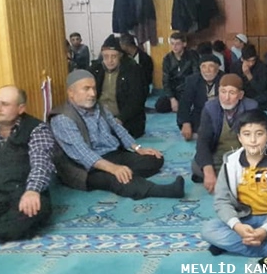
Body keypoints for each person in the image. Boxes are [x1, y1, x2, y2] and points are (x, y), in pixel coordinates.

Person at [200, 109, 267, 274]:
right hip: (242, 219)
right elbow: (221, 200)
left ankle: (233, 245)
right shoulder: (230, 163)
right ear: (239, 137)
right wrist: (237, 227)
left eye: (259, 134)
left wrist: (265, 230)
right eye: (247, 134)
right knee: (208, 229)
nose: (253, 140)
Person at [50, 70, 184, 200]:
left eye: (94, 88)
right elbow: (83, 154)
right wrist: (113, 169)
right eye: (86, 89)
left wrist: (138, 148)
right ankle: (164, 191)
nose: (93, 93)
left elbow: (117, 128)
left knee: (154, 158)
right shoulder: (63, 118)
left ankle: (126, 177)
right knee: (115, 178)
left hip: (112, 154)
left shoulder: (98, 107)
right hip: (86, 169)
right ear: (71, 92)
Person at [0, 86, 54, 243]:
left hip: (19, 195)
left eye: (5, 104)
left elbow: (41, 164)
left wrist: (32, 191)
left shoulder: (36, 129)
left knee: (33, 210)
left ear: (20, 108)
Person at [192, 74, 258, 192]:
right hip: (218, 156)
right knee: (197, 165)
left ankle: (228, 178)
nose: (226, 98)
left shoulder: (251, 108)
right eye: (223, 92)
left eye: (232, 93)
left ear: (240, 95)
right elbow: (203, 141)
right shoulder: (210, 108)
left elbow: (257, 141)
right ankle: (230, 178)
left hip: (243, 155)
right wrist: (209, 173)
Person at [89, 34, 147, 138]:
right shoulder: (95, 70)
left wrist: (120, 119)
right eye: (106, 56)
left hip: (124, 119)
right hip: (99, 117)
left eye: (113, 56)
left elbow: (136, 100)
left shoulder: (132, 70)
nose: (109, 60)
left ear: (120, 56)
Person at [178, 54, 224, 141]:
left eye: (211, 66)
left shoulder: (225, 79)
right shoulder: (192, 80)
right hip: (201, 114)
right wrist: (185, 123)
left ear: (218, 68)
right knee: (192, 134)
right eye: (203, 66)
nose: (207, 70)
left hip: (221, 114)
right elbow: (184, 104)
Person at [156, 32, 200, 113]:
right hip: (175, 91)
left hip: (189, 89)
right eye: (172, 44)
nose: (174, 47)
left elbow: (196, 76)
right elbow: (166, 81)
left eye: (177, 44)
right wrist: (172, 98)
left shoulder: (192, 56)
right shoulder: (167, 59)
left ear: (184, 44)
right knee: (160, 105)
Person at [231, 44, 267, 109]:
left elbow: (261, 89)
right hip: (242, 95)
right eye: (248, 61)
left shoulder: (261, 66)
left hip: (257, 95)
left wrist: (249, 75)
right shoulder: (235, 67)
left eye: (253, 60)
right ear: (242, 59)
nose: (251, 63)